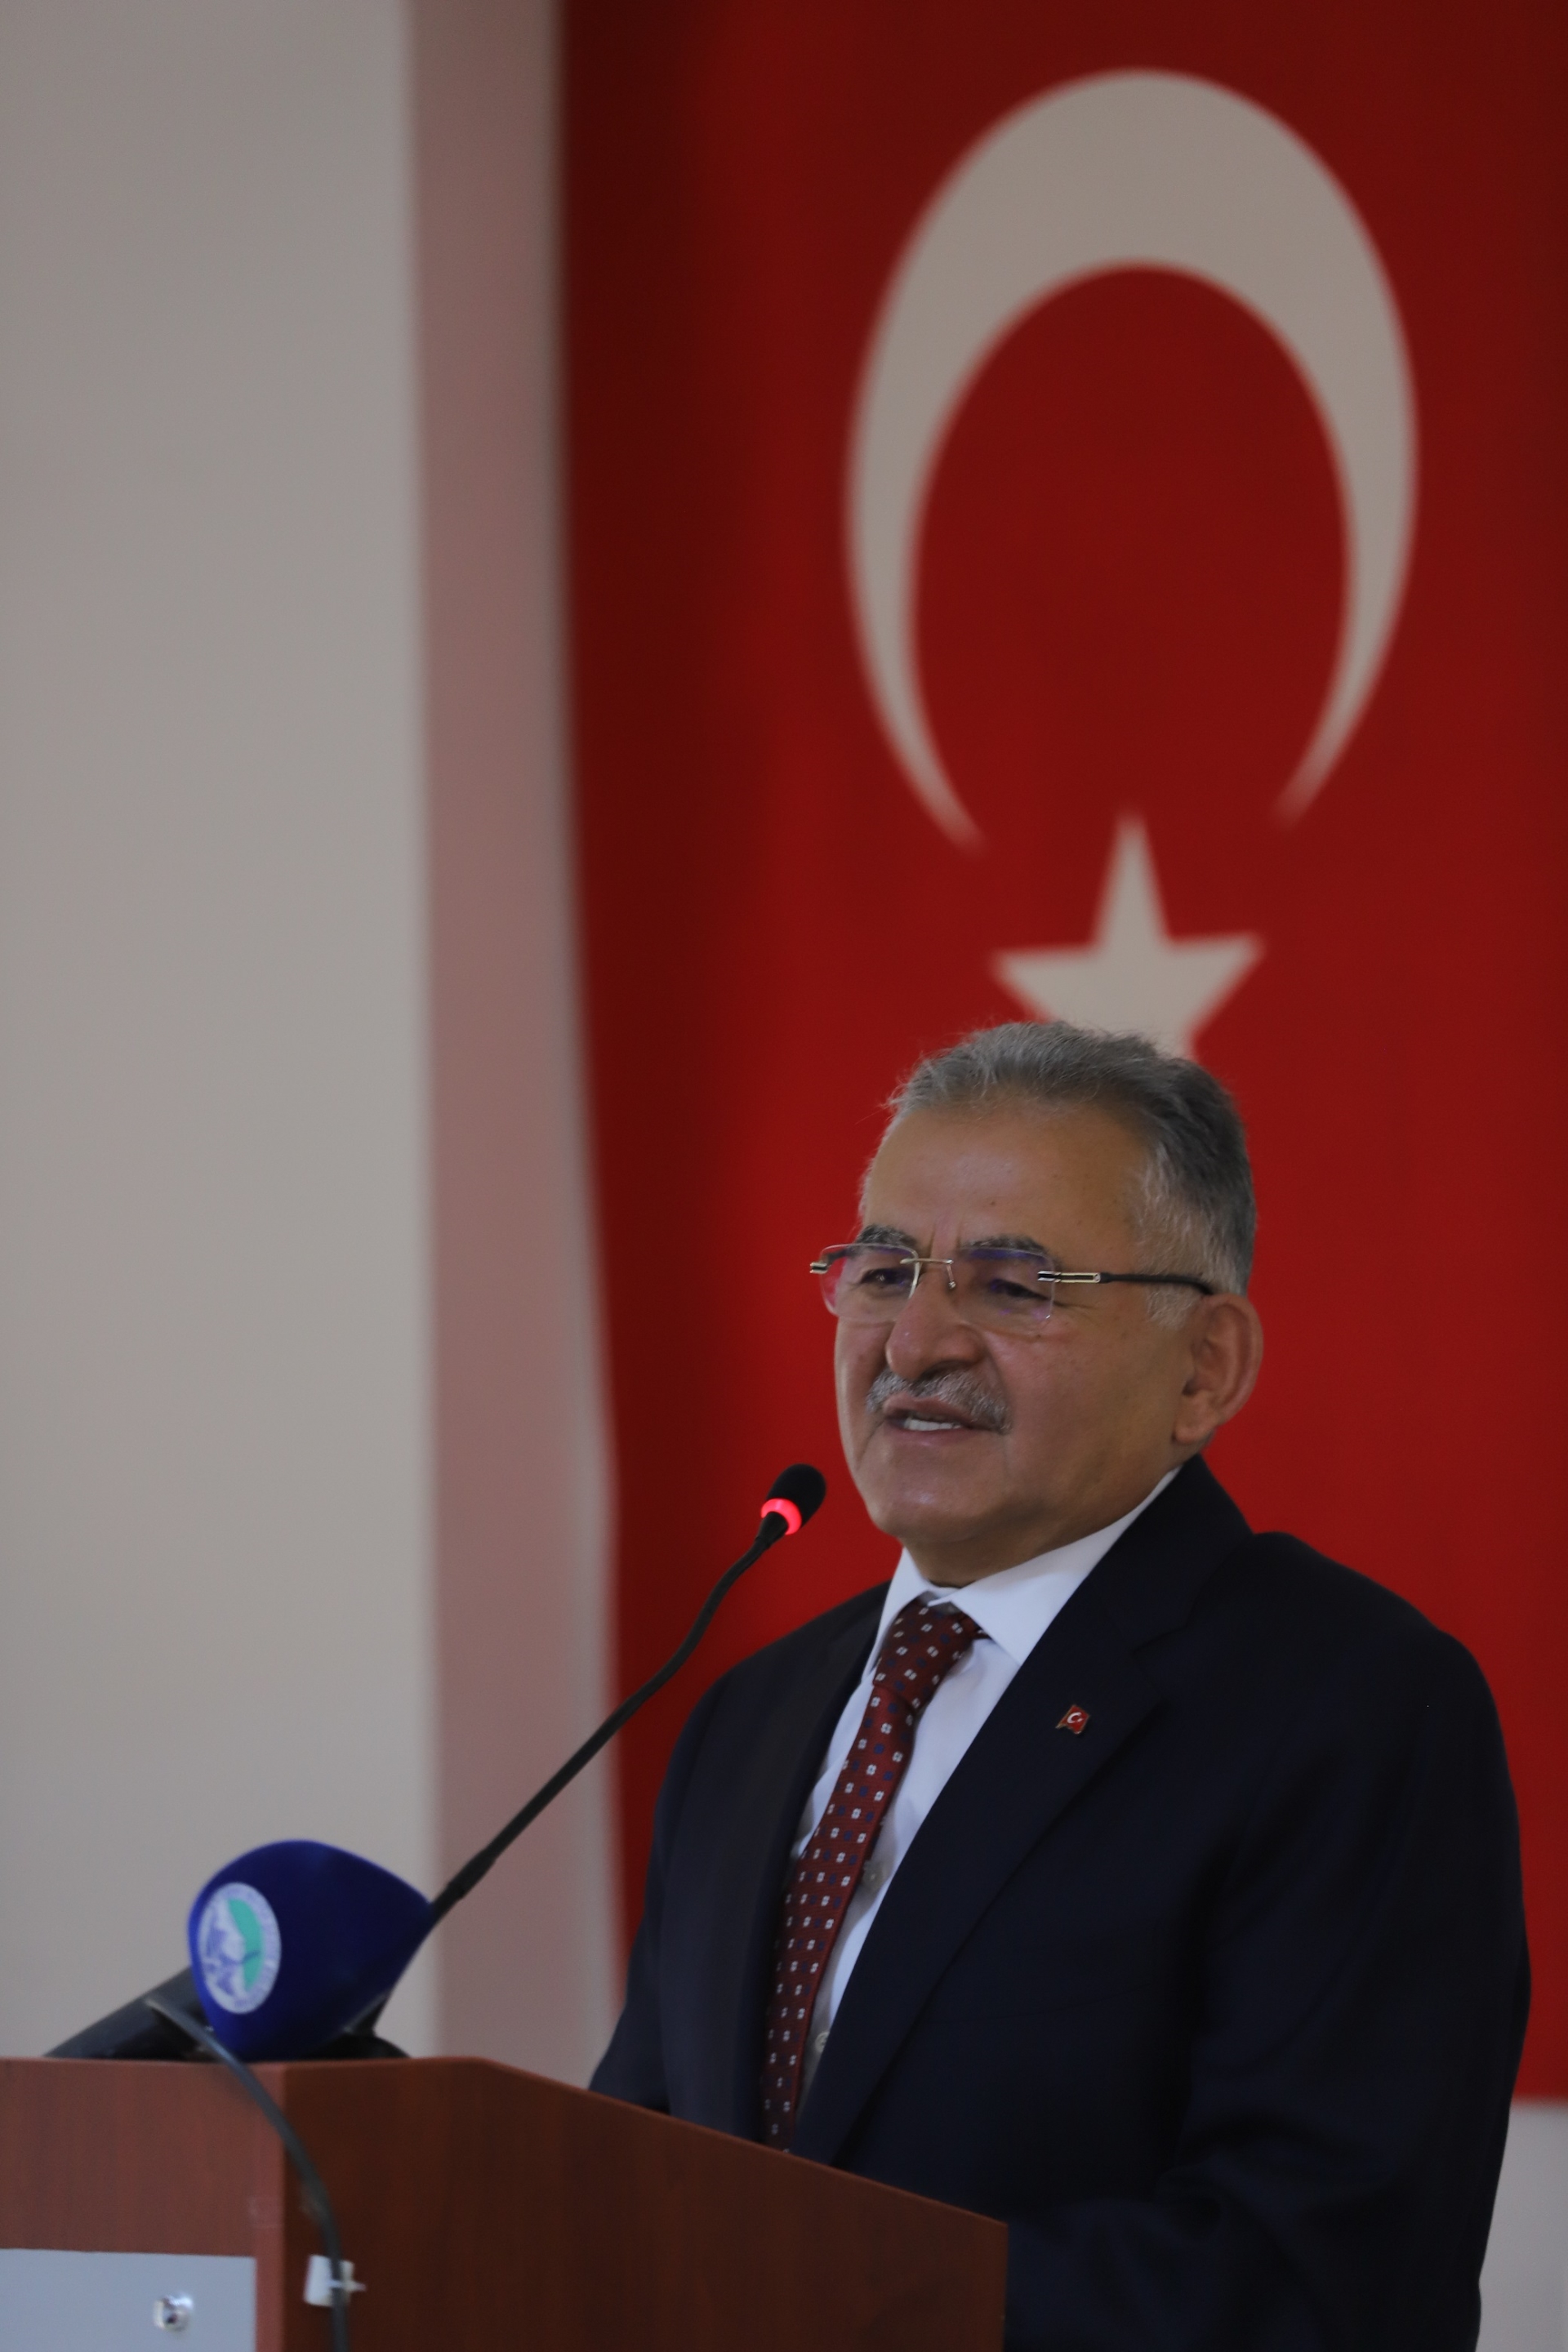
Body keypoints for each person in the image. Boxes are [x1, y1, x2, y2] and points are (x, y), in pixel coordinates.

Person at [592, 1021, 1527, 2350]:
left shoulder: (1349, 1708)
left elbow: (1319, 2279)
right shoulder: (750, 1716)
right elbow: (638, 2178)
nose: (915, 1343)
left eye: (1012, 1285)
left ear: (1204, 1367)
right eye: (883, 1271)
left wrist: (806, 2297)